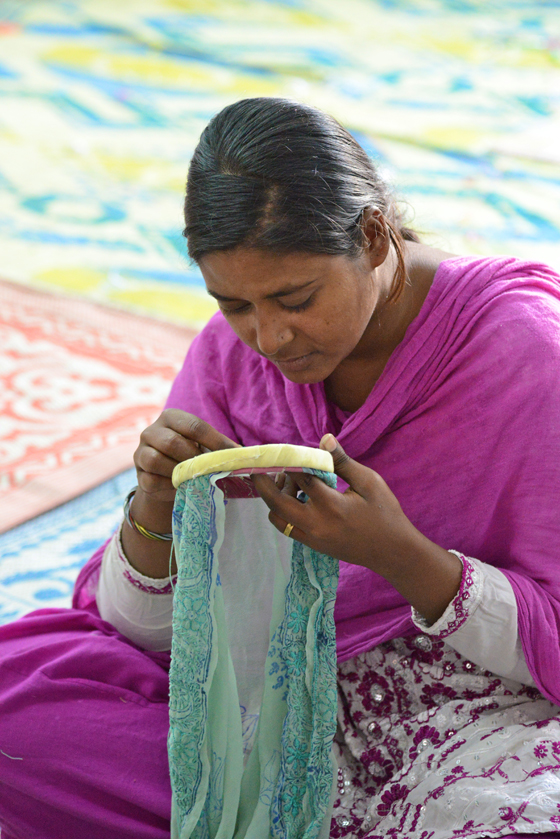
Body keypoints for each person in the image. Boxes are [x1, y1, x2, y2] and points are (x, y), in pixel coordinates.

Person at [1, 97, 560, 839]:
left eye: (295, 299)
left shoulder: (526, 355)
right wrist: (154, 509)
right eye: (233, 304)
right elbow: (157, 632)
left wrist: (400, 557)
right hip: (266, 705)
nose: (269, 337)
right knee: (20, 711)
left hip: (468, 709)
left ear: (372, 233)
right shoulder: (233, 358)